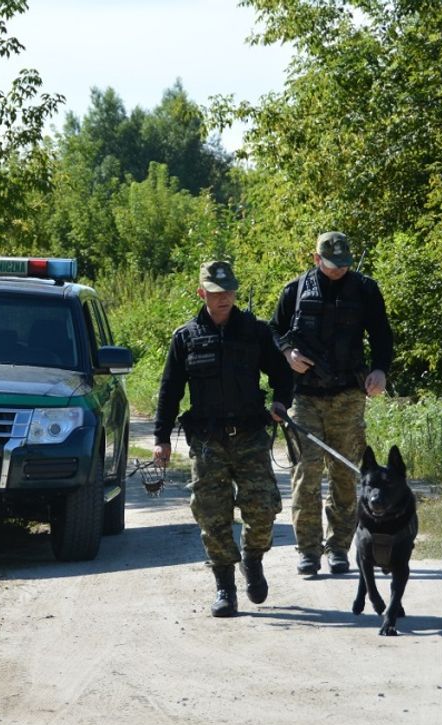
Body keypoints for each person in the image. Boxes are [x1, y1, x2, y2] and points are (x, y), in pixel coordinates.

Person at [153, 260, 293, 618]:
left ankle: (253, 557)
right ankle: (225, 588)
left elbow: (283, 374)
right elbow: (170, 390)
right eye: (216, 293)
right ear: (202, 293)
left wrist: (281, 401)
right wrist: (161, 437)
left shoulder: (255, 332)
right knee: (212, 517)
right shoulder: (186, 337)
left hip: (250, 436)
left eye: (229, 291)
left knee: (263, 510)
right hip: (207, 442)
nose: (224, 299)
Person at [269, 231, 394, 576]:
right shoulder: (294, 291)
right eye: (331, 264)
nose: (338, 270)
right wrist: (287, 353)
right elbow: (273, 330)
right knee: (305, 474)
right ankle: (308, 551)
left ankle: (338, 547)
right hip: (305, 397)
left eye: (343, 264)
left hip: (347, 397)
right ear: (316, 259)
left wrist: (380, 371)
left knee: (344, 475)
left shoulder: (365, 290)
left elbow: (383, 334)